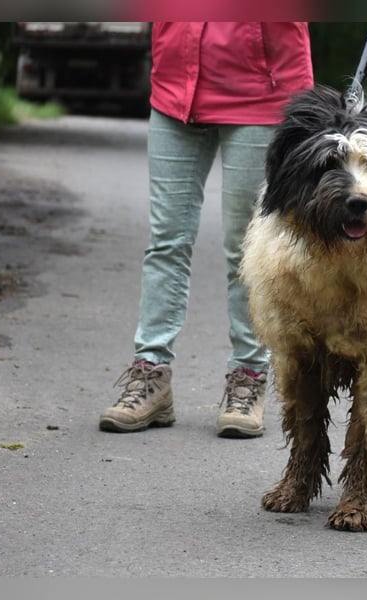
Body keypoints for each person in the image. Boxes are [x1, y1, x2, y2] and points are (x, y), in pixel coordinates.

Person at [99, 22, 314, 438]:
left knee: (245, 248)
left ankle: (249, 377)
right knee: (166, 241)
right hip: (174, 89)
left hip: (260, 96)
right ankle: (151, 374)